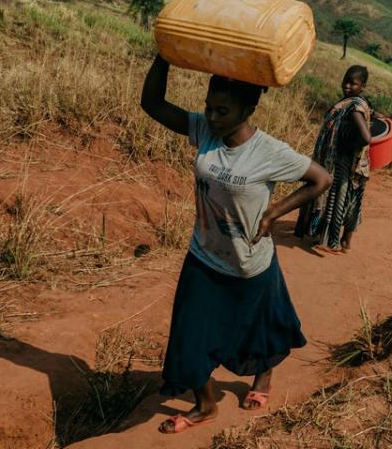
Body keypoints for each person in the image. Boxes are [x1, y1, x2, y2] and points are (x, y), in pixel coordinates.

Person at [140, 54, 331, 434]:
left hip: (249, 263)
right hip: (204, 254)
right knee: (188, 335)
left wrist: (274, 212)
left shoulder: (270, 152)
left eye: (222, 111)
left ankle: (263, 379)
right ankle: (205, 405)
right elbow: (153, 104)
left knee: (261, 327)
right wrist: (165, 57)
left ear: (249, 107)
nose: (212, 117)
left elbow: (320, 179)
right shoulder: (204, 131)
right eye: (209, 108)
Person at [294, 65, 373, 253]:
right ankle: (344, 241)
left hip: (340, 162)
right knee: (347, 199)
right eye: (345, 81)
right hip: (344, 161)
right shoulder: (353, 103)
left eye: (353, 83)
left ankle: (330, 241)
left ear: (362, 86)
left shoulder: (354, 107)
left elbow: (365, 138)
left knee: (334, 200)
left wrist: (347, 147)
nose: (347, 86)